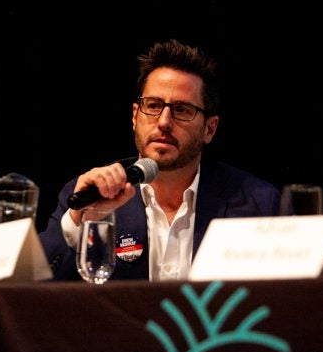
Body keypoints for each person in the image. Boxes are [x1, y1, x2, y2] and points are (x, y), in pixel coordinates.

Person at [39, 39, 281, 281]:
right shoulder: (90, 194)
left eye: (182, 110)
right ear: (135, 116)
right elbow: (33, 290)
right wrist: (80, 223)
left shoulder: (259, 204)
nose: (164, 121)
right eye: (153, 105)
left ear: (210, 128)